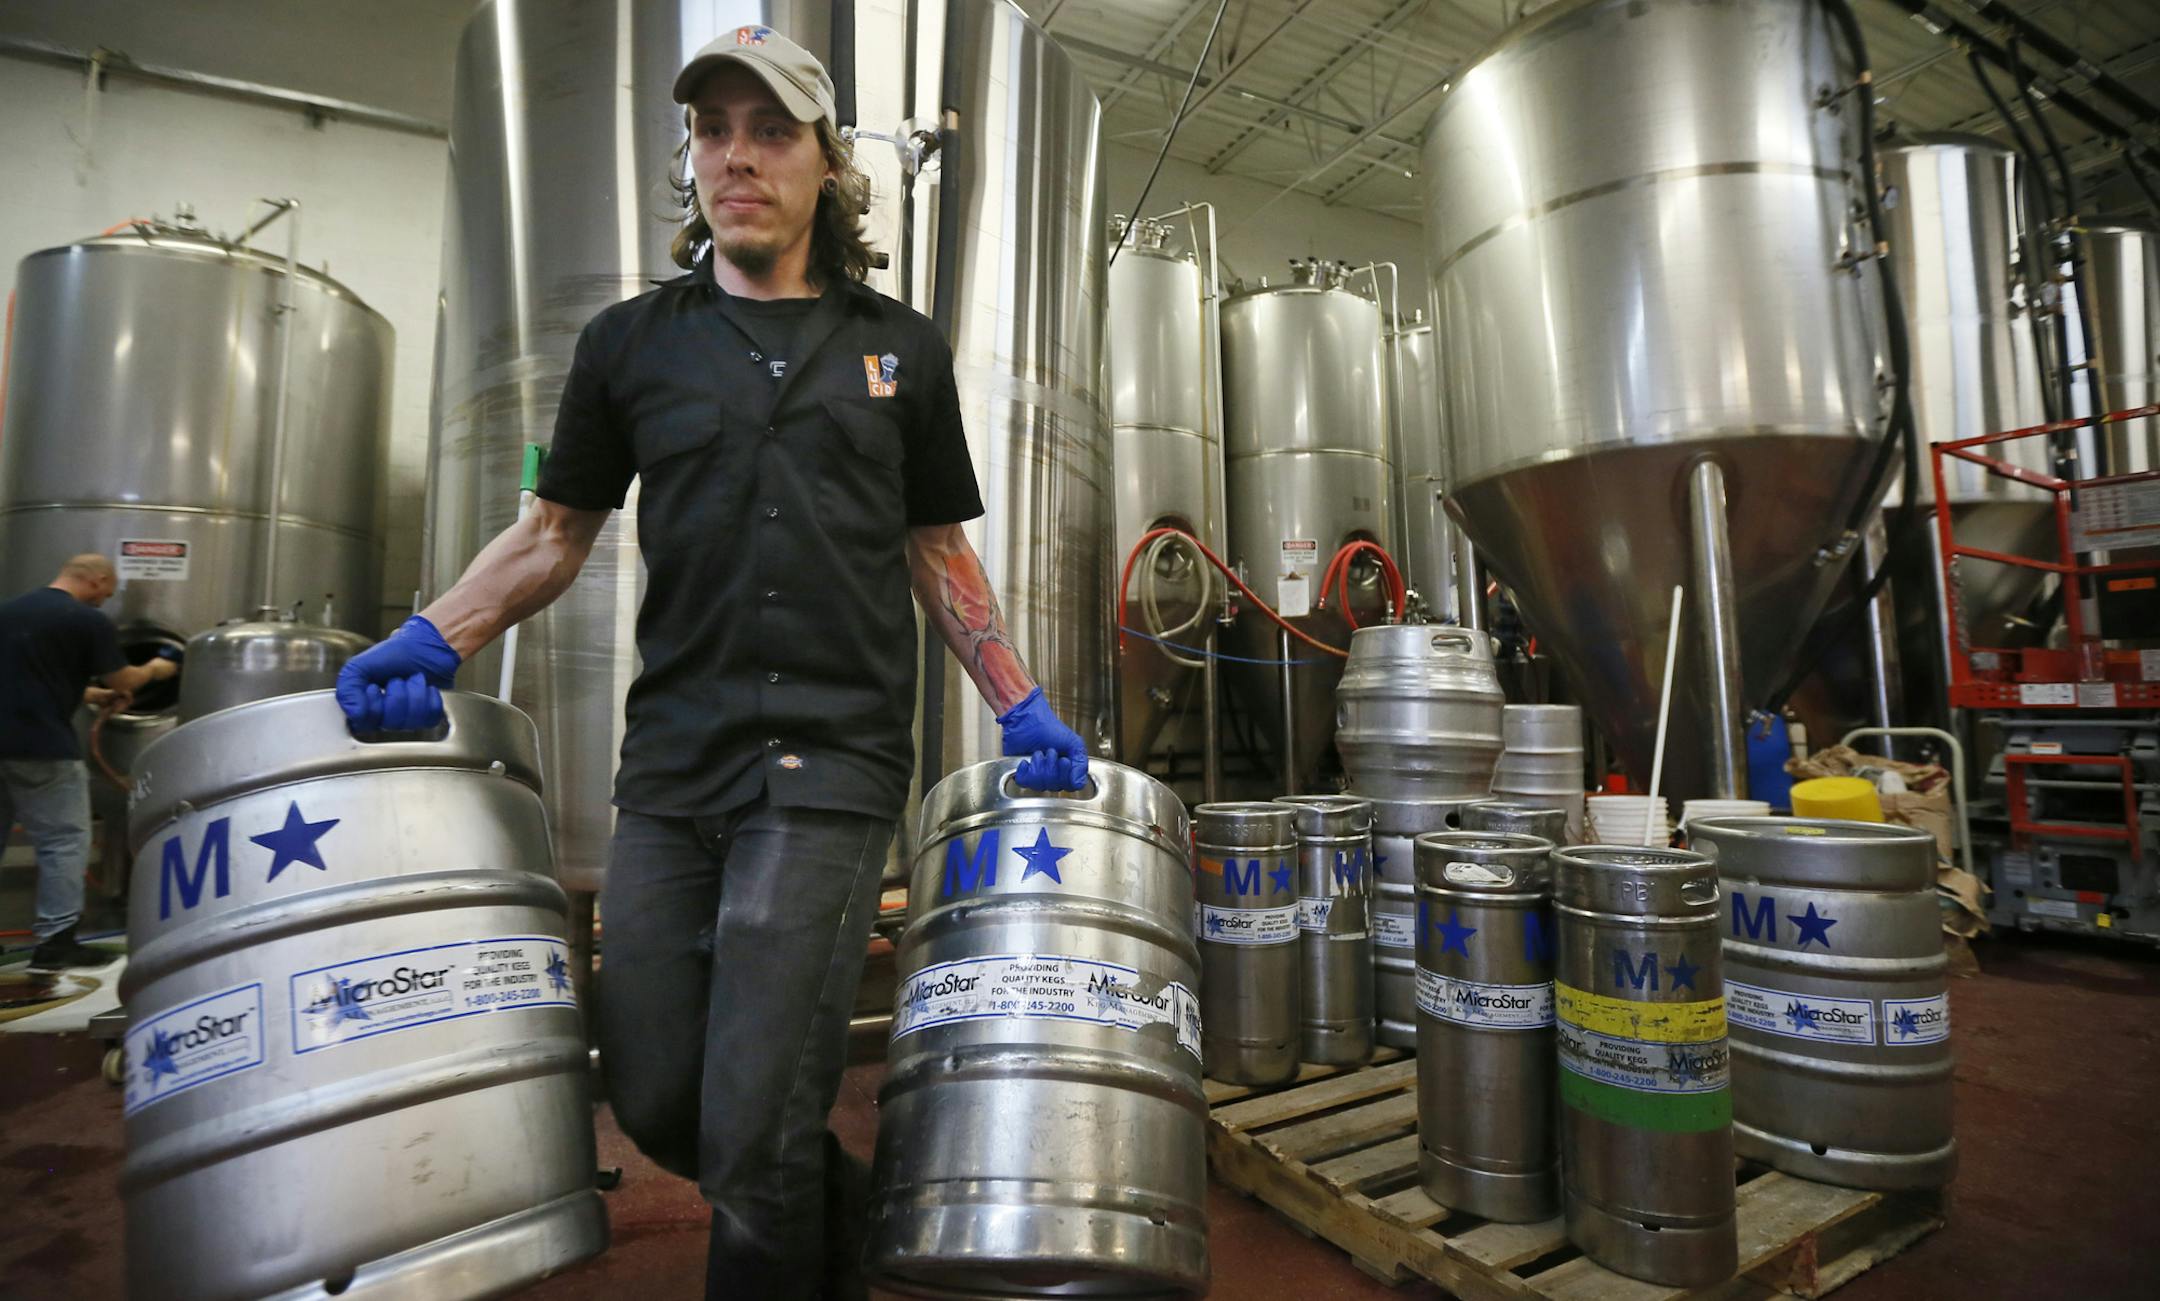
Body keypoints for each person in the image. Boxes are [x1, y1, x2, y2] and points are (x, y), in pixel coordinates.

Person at [334, 24, 1092, 1301]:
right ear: (689, 156)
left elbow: (937, 547)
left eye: (771, 130)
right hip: (675, 764)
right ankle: (850, 1222)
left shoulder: (901, 348)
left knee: (749, 1127)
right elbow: (551, 531)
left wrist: (1018, 698)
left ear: (826, 165)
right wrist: (432, 633)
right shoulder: (632, 344)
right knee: (658, 1094)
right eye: (712, 129)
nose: (737, 155)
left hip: (835, 766)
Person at [0, 554, 182, 969]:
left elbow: (25, 675)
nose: (105, 601)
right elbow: (124, 680)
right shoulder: (85, 620)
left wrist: (88, 695)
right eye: (108, 592)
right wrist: (155, 669)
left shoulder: (7, 611)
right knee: (63, 841)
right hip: (41, 747)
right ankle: (56, 943)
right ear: (98, 581)